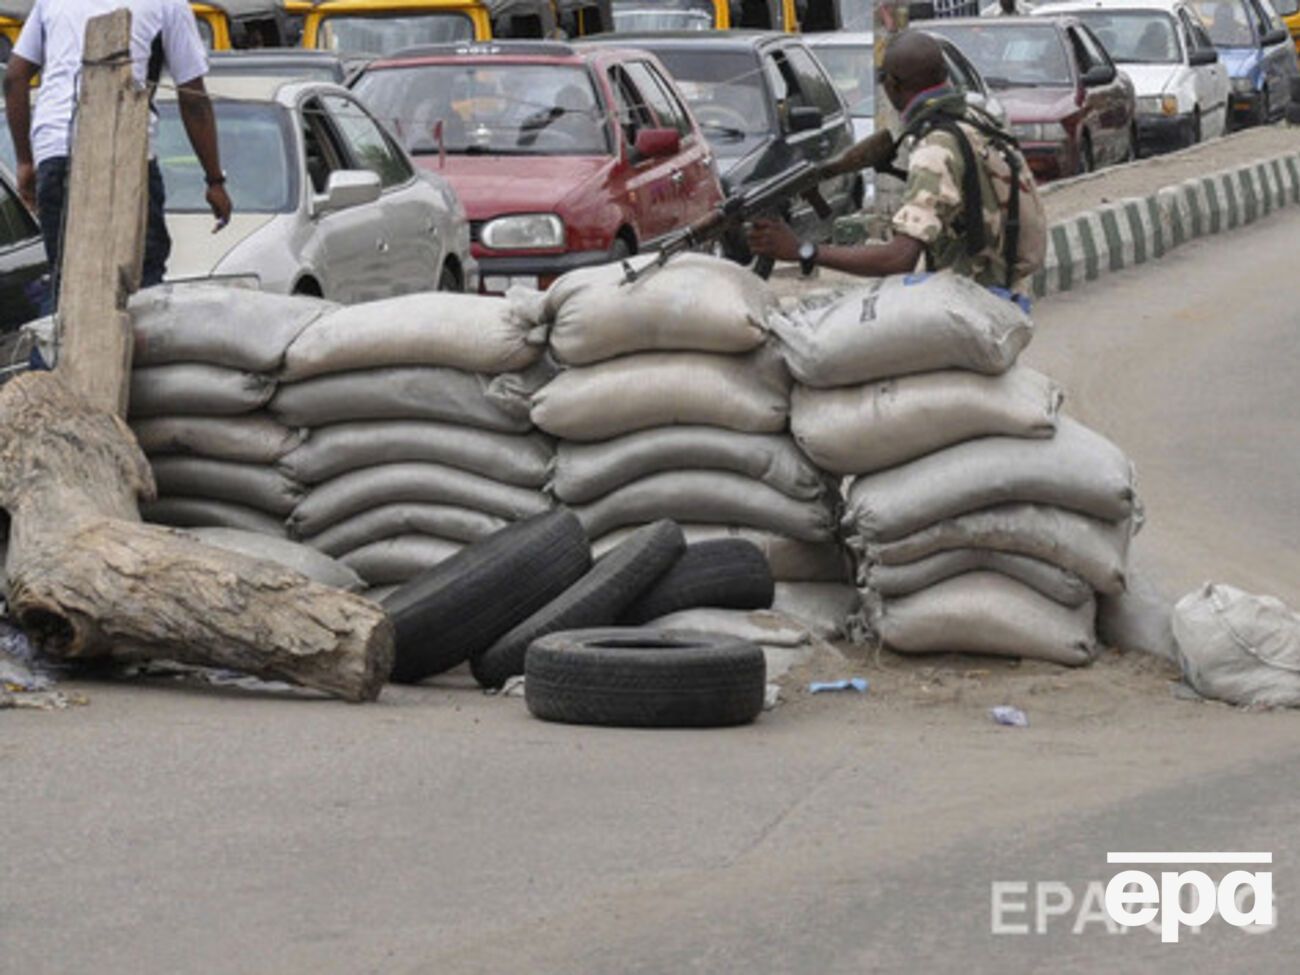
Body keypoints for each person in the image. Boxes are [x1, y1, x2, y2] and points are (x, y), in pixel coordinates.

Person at [747, 30, 1045, 291]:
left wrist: (802, 249)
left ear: (892, 85)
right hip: (998, 287)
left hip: (973, 303)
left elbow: (898, 259)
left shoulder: (935, 149)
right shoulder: (973, 116)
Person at [3, 0, 232, 296]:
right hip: (127, 156)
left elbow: (14, 77)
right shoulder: (168, 4)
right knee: (141, 281)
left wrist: (25, 161)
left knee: (71, 282)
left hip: (57, 153)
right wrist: (214, 179)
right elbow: (193, 98)